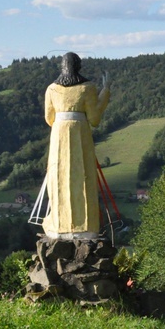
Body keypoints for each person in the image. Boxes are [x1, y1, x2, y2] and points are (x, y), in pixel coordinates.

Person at [42, 52, 111, 239]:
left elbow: (49, 118)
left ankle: (58, 223)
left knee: (58, 177)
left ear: (62, 67)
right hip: (80, 134)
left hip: (59, 135)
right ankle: (85, 226)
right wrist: (105, 92)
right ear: (78, 67)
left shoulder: (51, 89)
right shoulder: (88, 88)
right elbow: (95, 119)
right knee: (83, 176)